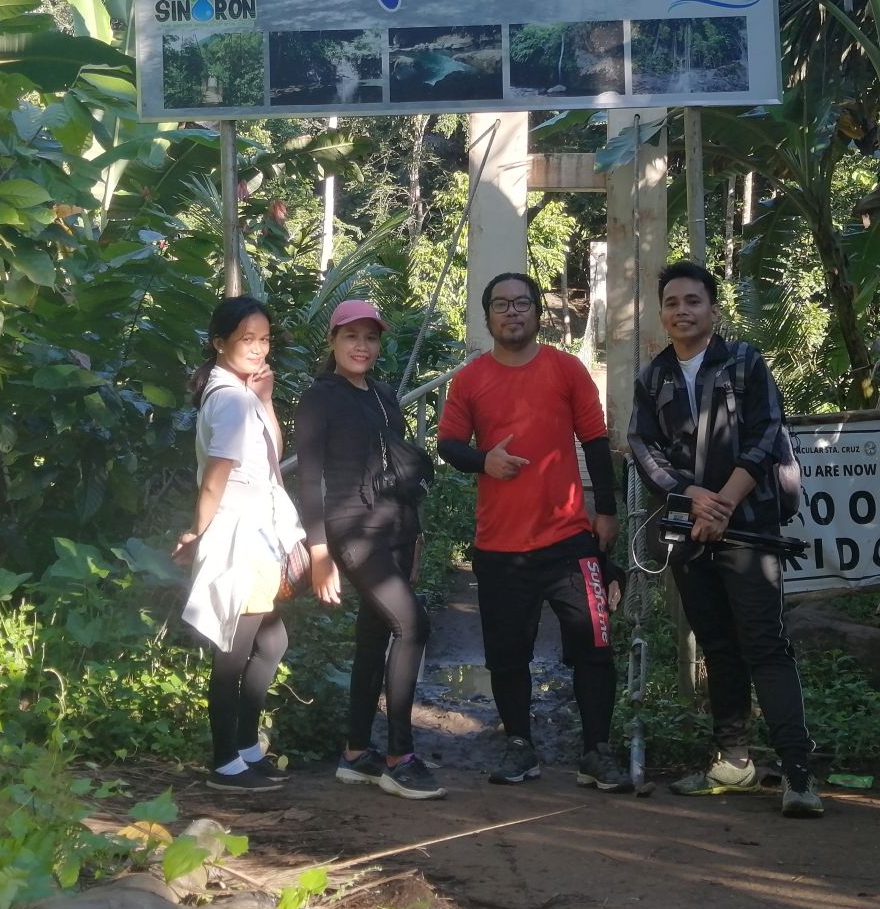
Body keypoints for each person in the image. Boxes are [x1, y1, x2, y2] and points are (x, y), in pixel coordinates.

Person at [627, 259, 823, 818]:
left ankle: (797, 773)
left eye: (693, 301)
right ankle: (733, 762)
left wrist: (725, 502)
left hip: (750, 529)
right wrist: (693, 499)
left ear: (713, 308)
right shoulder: (653, 378)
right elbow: (644, 447)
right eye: (672, 303)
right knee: (718, 645)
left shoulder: (744, 362)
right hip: (690, 532)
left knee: (766, 644)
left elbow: (765, 433)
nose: (682, 311)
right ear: (662, 314)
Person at [437, 271, 633, 793]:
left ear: (536, 312)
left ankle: (597, 751)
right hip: (499, 546)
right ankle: (519, 745)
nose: (512, 312)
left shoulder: (566, 370)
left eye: (522, 303)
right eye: (501, 304)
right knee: (507, 654)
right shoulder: (471, 379)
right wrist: (485, 460)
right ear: (487, 316)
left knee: (594, 644)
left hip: (570, 539)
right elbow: (449, 444)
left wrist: (606, 512)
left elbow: (595, 440)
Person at [294, 298, 446, 801]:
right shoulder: (320, 397)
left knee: (373, 637)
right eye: (351, 336)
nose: (362, 346)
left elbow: (396, 471)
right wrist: (319, 551)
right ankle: (400, 757)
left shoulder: (383, 395)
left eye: (371, 337)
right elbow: (310, 479)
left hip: (397, 529)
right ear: (333, 342)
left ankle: (357, 754)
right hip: (352, 532)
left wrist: (414, 531)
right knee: (413, 624)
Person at [177, 296, 305, 793]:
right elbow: (216, 477)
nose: (258, 348)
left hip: (254, 533)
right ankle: (225, 760)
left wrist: (268, 398)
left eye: (264, 339)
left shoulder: (239, 392)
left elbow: (273, 455)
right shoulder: (229, 398)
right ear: (219, 343)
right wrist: (197, 531)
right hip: (239, 537)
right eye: (247, 339)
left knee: (271, 640)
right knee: (235, 649)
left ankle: (248, 747)